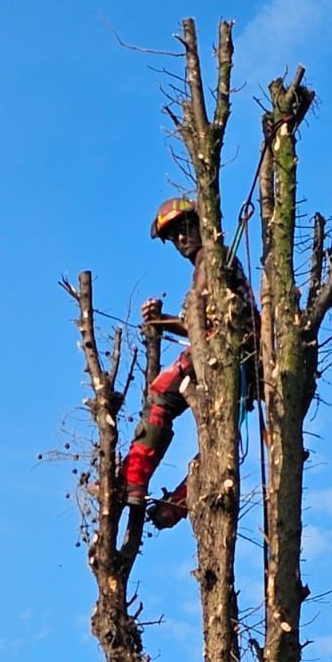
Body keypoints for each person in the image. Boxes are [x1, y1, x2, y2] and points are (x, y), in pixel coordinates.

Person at [121, 197, 259, 529]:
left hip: (226, 349)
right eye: (174, 236)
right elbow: (199, 321)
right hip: (241, 357)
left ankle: (132, 480)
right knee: (218, 436)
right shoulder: (213, 262)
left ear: (200, 223)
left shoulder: (211, 258)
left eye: (185, 228)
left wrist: (166, 321)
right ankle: (176, 506)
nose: (181, 239)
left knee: (162, 394)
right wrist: (161, 321)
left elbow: (206, 325)